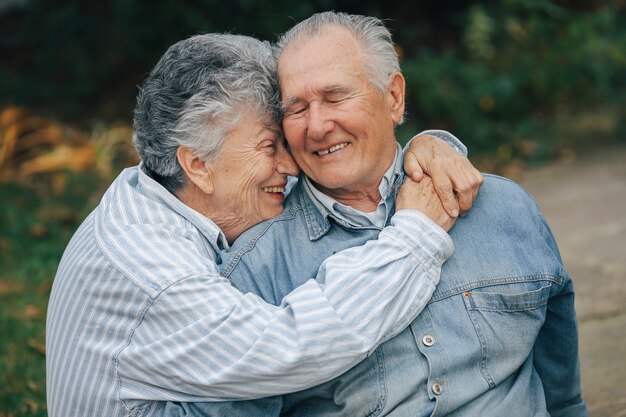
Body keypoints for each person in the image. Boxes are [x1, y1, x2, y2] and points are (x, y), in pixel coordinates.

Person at [45, 33, 481, 417]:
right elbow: (293, 348)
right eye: (269, 145)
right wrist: (416, 235)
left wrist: (423, 150)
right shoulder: (151, 267)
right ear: (198, 164)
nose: (290, 165)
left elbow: (349, 163)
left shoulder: (169, 191)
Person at [181, 11, 587, 417]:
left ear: (394, 97)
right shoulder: (256, 270)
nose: (318, 126)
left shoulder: (502, 208)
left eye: (335, 96)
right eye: (298, 108)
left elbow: (561, 390)